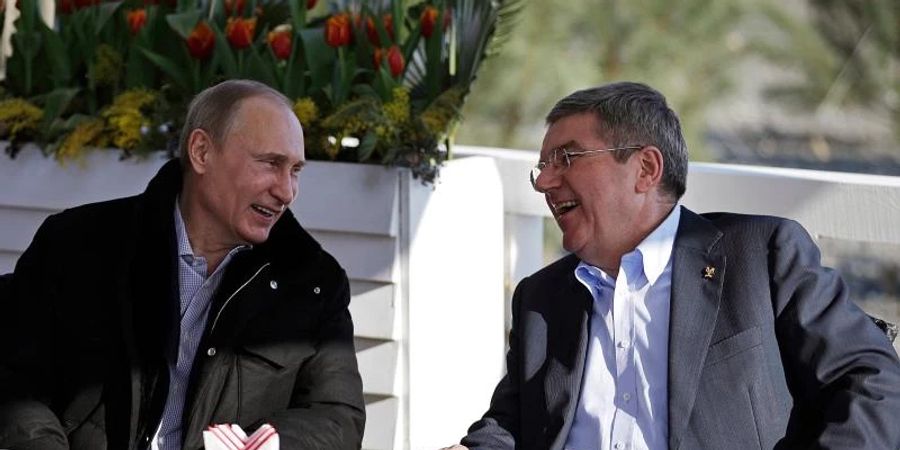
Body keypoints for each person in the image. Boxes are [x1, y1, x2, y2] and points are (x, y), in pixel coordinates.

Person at [451, 82, 900, 450]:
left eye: (565, 158)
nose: (545, 182)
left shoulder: (761, 257)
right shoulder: (542, 298)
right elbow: (511, 426)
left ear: (645, 168)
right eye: (542, 167)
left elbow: (874, 384)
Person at [0, 79, 365, 449]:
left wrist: (271, 443)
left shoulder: (314, 282)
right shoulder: (77, 245)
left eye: (296, 171)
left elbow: (338, 417)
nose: (286, 191)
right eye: (271, 163)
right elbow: (14, 384)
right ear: (202, 152)